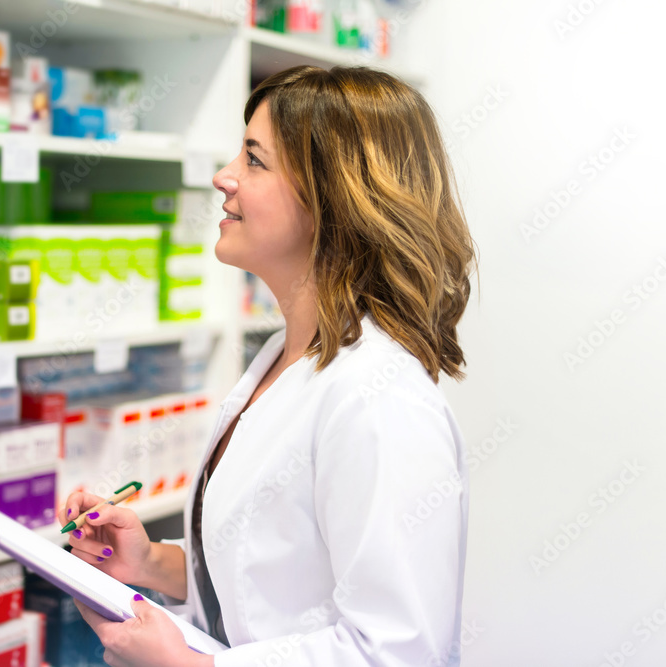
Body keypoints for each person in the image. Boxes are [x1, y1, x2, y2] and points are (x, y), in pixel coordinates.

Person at [59, 64, 477, 667]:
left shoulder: (379, 400)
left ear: (335, 198)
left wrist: (192, 666)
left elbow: (397, 651)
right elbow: (274, 576)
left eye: (254, 160)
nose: (223, 177)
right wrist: (150, 563)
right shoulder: (285, 358)